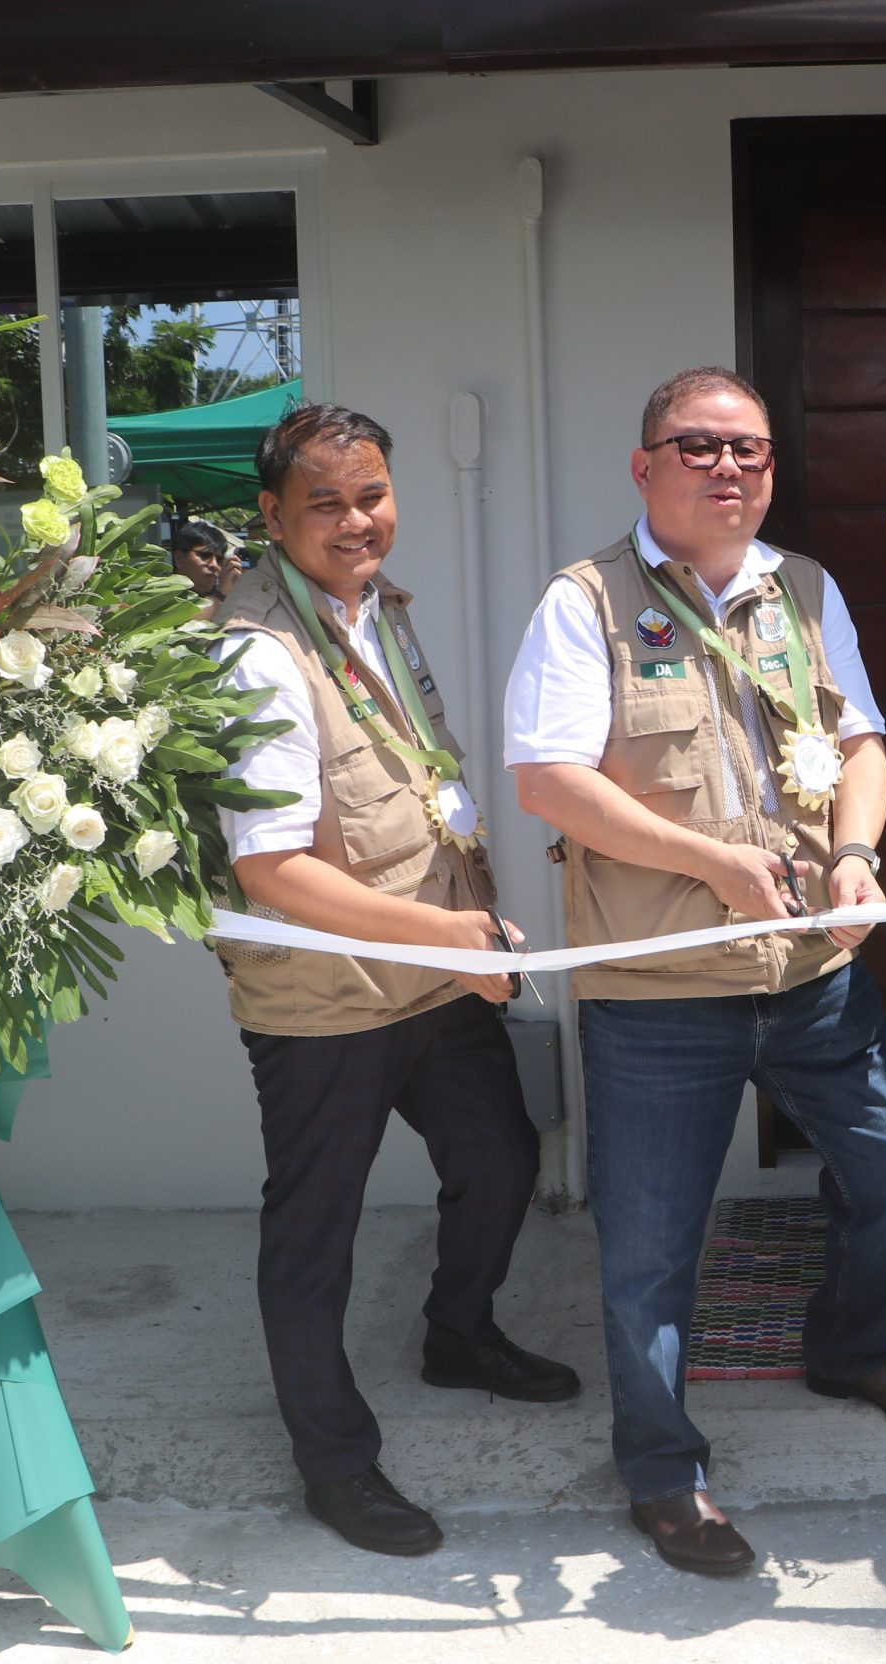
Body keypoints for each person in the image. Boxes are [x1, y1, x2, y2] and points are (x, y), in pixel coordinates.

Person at [509, 367, 886, 1579]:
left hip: (815, 970)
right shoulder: (585, 604)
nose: (727, 469)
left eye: (749, 451)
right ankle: (664, 1473)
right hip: (662, 994)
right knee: (651, 1252)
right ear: (644, 464)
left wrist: (863, 854)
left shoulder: (800, 590)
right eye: (698, 446)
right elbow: (550, 781)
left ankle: (846, 1347)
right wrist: (707, 862)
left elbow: (859, 738)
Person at [210, 402, 576, 1557]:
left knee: (500, 1156)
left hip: (429, 968)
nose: (357, 521)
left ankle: (456, 1335)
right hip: (323, 998)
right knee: (315, 1229)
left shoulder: (378, 613)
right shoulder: (258, 653)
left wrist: (458, 936)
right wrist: (443, 941)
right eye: (325, 504)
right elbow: (270, 868)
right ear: (273, 517)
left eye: (370, 495)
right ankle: (335, 1463)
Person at [171, 516, 239, 608]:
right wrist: (220, 594)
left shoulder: (225, 596)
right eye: (205, 555)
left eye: (219, 560)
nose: (214, 565)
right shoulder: (159, 595)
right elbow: (188, 619)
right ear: (179, 558)